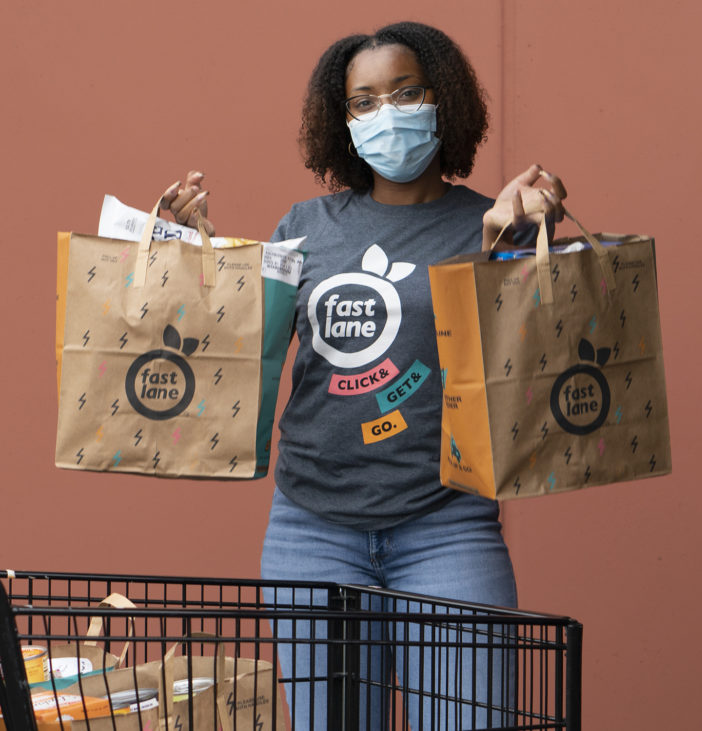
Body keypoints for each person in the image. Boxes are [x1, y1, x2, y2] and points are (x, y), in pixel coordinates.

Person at [160, 21, 566, 730]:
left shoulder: (486, 225)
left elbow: (523, 363)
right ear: (341, 121)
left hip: (448, 523)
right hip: (311, 530)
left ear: (444, 103)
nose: (388, 113)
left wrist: (523, 240)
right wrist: (182, 247)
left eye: (406, 93)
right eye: (365, 101)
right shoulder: (304, 225)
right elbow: (238, 347)